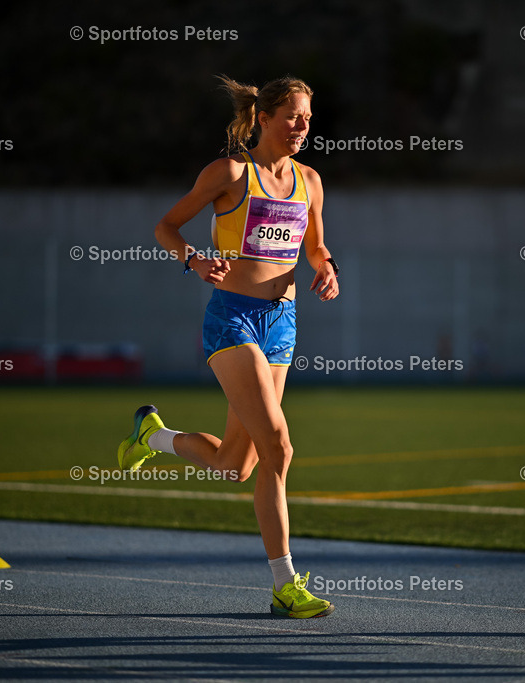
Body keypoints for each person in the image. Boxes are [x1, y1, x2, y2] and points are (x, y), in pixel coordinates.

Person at [116, 75, 340, 618]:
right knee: (280, 449)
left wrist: (326, 267)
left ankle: (155, 435)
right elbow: (166, 227)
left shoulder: (310, 180)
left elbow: (316, 244)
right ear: (263, 117)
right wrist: (193, 259)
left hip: (282, 323)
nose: (302, 127)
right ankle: (286, 585)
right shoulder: (230, 174)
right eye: (292, 117)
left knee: (235, 466)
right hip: (232, 321)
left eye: (308, 119)